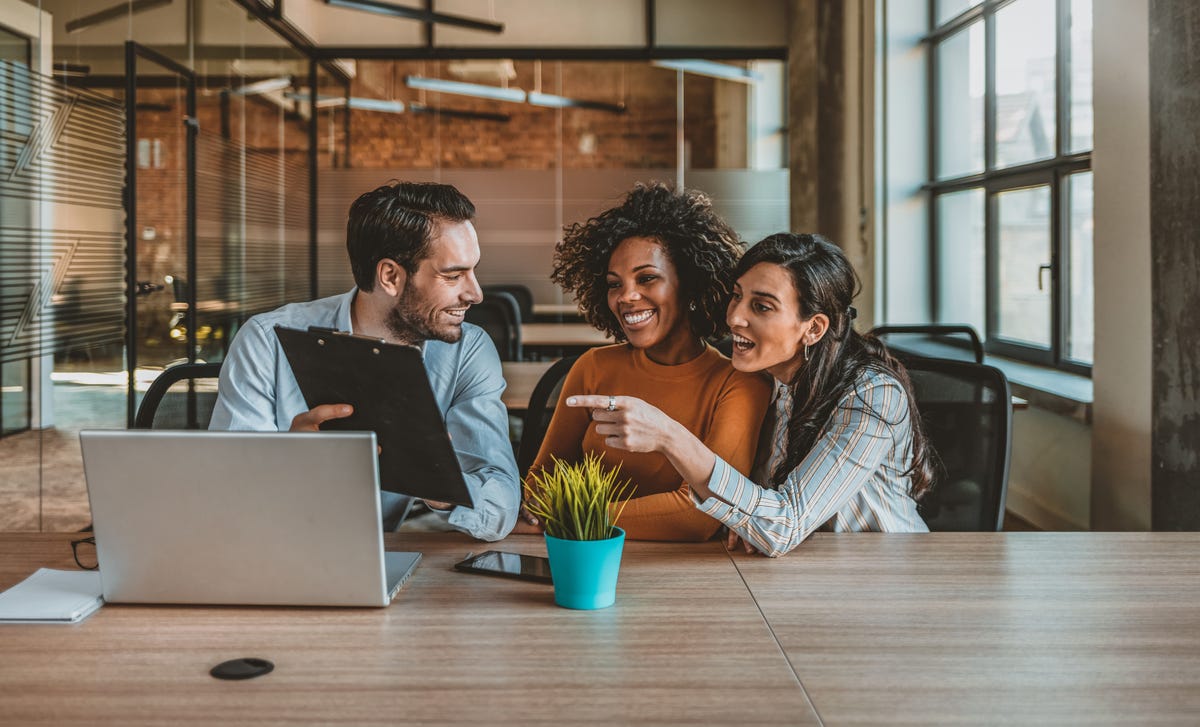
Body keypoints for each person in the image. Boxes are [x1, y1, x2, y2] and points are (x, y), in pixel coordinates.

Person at [565, 233, 934, 556]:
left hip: (888, 576)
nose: (735, 317)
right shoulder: (766, 384)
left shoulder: (873, 396)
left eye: (761, 306)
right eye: (736, 297)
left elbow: (783, 525)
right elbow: (761, 516)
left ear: (814, 328)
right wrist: (748, 521)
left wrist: (669, 436)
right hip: (808, 577)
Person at [210, 181, 519, 541]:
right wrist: (287, 461)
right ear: (390, 276)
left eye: (473, 271)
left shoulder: (468, 350)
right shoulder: (265, 341)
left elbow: (502, 507)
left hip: (383, 555)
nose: (476, 293)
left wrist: (442, 484)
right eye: (452, 275)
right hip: (274, 546)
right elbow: (226, 497)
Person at [517, 183, 772, 541]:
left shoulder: (738, 382)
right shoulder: (593, 367)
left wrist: (575, 517)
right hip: (582, 560)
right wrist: (559, 515)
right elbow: (540, 484)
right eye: (613, 284)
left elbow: (701, 516)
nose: (627, 297)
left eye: (647, 278)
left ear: (690, 284)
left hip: (680, 575)